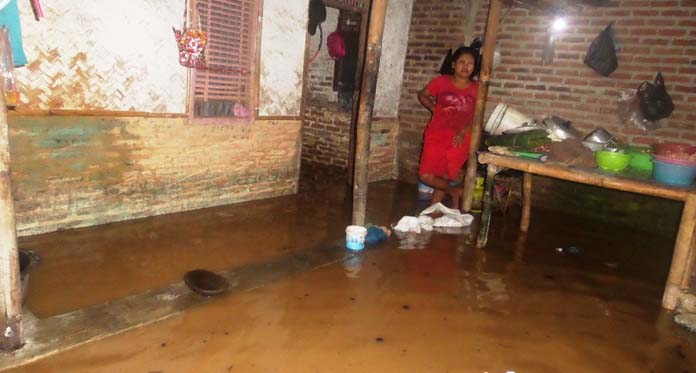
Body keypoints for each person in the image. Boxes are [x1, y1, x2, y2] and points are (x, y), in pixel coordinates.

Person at [417, 46, 480, 210]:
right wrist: (433, 108)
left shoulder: (478, 89)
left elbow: (477, 116)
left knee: (444, 175)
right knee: (425, 175)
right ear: (453, 64)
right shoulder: (441, 81)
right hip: (436, 133)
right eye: (461, 62)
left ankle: (433, 209)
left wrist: (462, 132)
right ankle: (454, 191)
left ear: (475, 67)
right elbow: (422, 95)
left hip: (462, 136)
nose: (465, 66)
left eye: (470, 63)